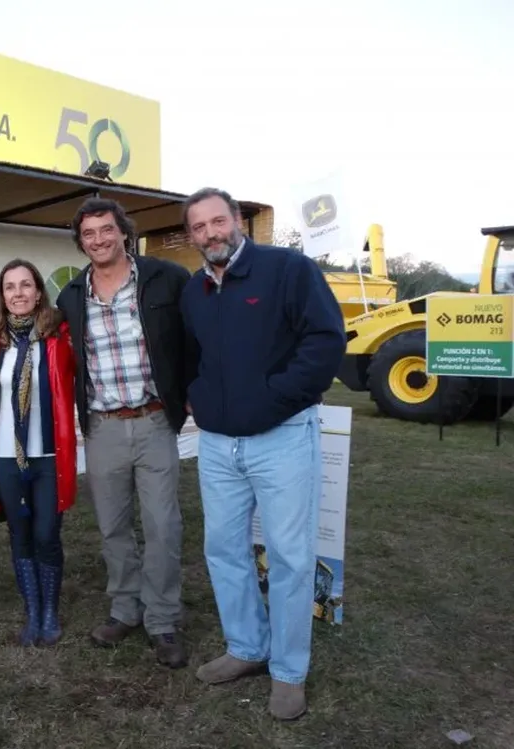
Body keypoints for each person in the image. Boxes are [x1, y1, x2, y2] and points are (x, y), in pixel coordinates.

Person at [180, 187, 346, 720]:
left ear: (237, 222)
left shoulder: (288, 270)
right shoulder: (195, 291)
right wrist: (199, 400)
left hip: (282, 438)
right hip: (218, 445)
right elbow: (190, 355)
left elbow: (325, 341)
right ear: (191, 237)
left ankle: (289, 671)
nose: (211, 233)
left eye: (218, 221)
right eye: (199, 227)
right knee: (224, 549)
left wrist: (276, 398)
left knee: (291, 557)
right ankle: (246, 648)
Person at [56, 197, 191, 669]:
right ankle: (125, 609)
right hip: (103, 427)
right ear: (81, 241)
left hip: (154, 422)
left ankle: (163, 618)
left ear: (123, 232)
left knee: (161, 524)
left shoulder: (164, 278)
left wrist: (190, 389)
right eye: (89, 234)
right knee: (113, 527)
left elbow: (192, 337)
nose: (98, 240)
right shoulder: (71, 295)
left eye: (106, 230)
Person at [0, 259, 76, 647]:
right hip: (6, 456)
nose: (18, 293)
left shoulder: (58, 340)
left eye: (25, 285)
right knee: (20, 533)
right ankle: (33, 612)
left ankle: (51, 611)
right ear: (2, 297)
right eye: (10, 287)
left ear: (39, 292)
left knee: (46, 533)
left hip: (48, 456)